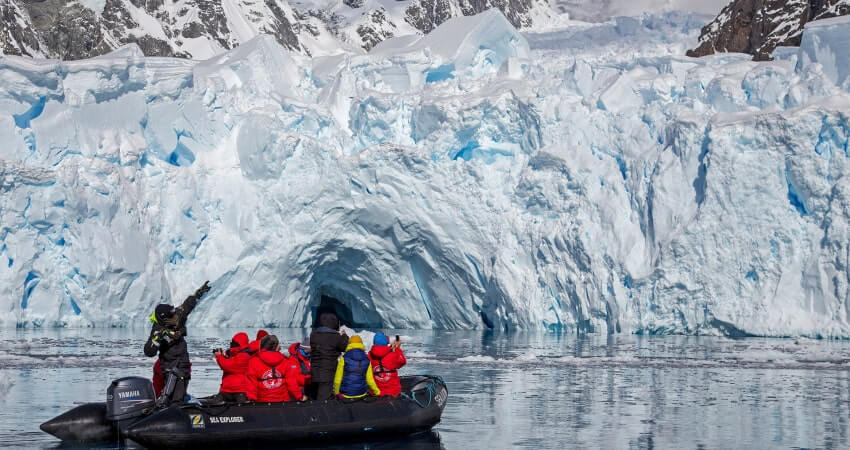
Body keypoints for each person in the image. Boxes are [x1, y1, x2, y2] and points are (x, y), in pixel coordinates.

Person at [144, 281, 210, 406]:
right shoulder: (158, 329)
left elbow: (188, 305)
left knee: (180, 394)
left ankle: (177, 409)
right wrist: (159, 338)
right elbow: (148, 351)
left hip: (184, 364)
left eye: (175, 313)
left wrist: (199, 293)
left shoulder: (178, 316)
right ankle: (171, 412)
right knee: (175, 398)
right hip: (170, 367)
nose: (176, 316)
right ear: (164, 319)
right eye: (172, 315)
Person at [247, 335, 304, 402]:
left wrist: (251, 399)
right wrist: (299, 397)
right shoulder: (285, 361)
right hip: (283, 401)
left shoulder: (253, 362)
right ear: (276, 347)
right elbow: (291, 382)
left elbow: (251, 383)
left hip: (262, 402)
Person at [309, 312, 348, 400]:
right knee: (323, 399)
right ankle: (320, 413)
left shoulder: (313, 335)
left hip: (314, 370)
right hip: (327, 371)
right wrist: (344, 336)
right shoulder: (335, 336)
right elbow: (344, 347)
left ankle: (312, 413)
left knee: (315, 396)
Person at [212, 332, 252, 403]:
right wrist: (224, 356)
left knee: (241, 407)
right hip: (227, 390)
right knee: (215, 403)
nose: (232, 344)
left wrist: (219, 356)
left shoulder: (244, 356)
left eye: (234, 343)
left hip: (240, 390)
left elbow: (228, 366)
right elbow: (230, 363)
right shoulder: (233, 355)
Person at [368, 333, 407, 397]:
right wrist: (397, 348)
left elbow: (380, 352)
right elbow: (402, 361)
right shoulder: (392, 355)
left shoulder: (369, 355)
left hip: (375, 392)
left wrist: (390, 348)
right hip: (392, 391)